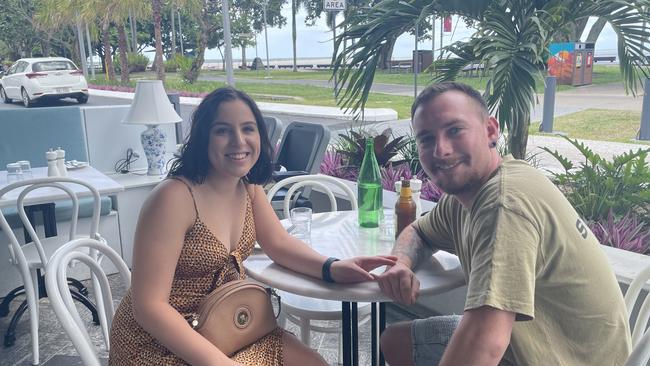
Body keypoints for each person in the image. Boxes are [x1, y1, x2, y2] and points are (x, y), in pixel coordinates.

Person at [108, 86, 396, 366]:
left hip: (227, 325)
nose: (238, 141)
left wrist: (331, 267)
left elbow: (279, 244)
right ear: (202, 138)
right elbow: (149, 307)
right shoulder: (173, 198)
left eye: (248, 128)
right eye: (222, 130)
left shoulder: (248, 187)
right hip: (161, 343)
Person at [376, 82, 631, 366]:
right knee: (395, 342)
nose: (441, 150)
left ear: (490, 131)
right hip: (529, 341)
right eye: (426, 139)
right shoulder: (467, 195)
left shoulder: (503, 204)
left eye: (454, 130)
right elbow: (419, 231)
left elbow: (485, 344)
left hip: (570, 357)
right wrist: (401, 263)